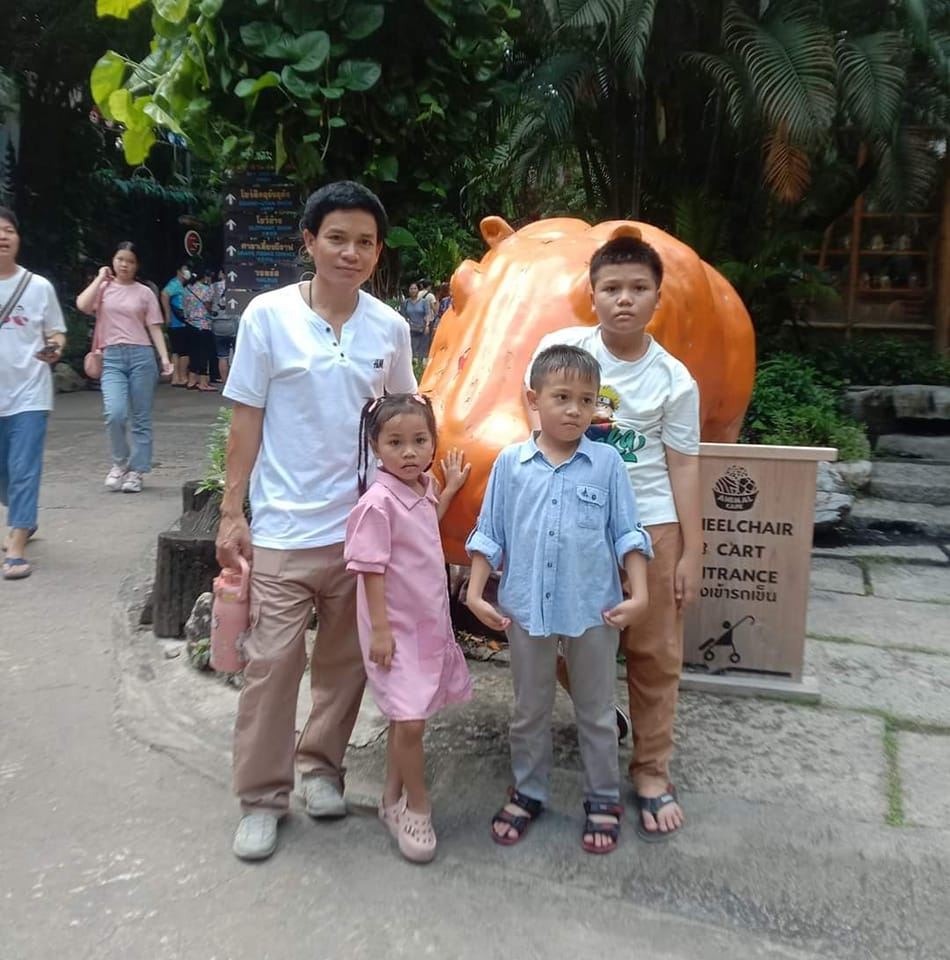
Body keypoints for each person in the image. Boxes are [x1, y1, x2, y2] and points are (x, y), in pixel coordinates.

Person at [216, 180, 417, 862]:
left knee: (344, 664)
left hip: (361, 531)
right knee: (272, 665)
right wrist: (232, 511)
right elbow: (246, 420)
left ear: (377, 252)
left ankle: (321, 769)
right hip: (283, 528)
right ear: (309, 242)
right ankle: (261, 798)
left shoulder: (389, 329)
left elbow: (402, 423)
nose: (350, 252)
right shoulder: (267, 317)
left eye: (364, 242)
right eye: (337, 238)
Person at [529, 235, 701, 841]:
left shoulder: (673, 379)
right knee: (557, 636)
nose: (624, 299)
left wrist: (692, 551)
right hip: (573, 522)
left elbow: (684, 465)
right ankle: (601, 715)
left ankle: (652, 771)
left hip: (650, 527)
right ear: (592, 294)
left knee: (655, 653)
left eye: (638, 288)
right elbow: (534, 427)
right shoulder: (562, 352)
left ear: (657, 296)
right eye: (612, 288)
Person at [465, 344, 652, 855]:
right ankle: (528, 790)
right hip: (525, 608)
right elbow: (490, 532)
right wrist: (476, 591)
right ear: (534, 399)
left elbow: (628, 533)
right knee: (529, 708)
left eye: (586, 400)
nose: (574, 410)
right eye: (562, 397)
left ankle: (603, 797)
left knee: (595, 711)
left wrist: (640, 592)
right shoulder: (511, 464)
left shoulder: (607, 464)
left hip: (594, 609)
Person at [344, 393, 472, 863]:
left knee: (408, 717)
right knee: (411, 719)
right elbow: (369, 570)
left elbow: (424, 527)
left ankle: (389, 799)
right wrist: (380, 630)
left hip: (426, 622)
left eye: (419, 440)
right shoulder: (376, 504)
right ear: (375, 446)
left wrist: (450, 490)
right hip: (394, 629)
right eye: (395, 442)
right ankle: (418, 807)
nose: (409, 452)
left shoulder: (422, 489)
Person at [0, 207, 67, 580]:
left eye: (8, 230)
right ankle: (24, 515)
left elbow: (56, 332)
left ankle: (17, 544)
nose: (2, 236)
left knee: (23, 468)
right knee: (5, 474)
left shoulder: (38, 287)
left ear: (18, 238)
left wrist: (54, 348)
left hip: (30, 393)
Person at [75, 242, 173, 494]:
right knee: (114, 413)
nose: (124, 265)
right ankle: (120, 463)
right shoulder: (104, 289)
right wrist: (100, 278)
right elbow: (83, 305)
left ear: (137, 265)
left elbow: (154, 327)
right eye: (120, 259)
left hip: (142, 356)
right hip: (111, 358)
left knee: (141, 418)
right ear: (113, 260)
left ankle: (137, 471)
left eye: (130, 261)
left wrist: (164, 358)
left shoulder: (144, 293)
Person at [182, 264, 218, 392]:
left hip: (190, 324)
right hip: (204, 325)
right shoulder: (208, 289)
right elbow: (209, 306)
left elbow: (184, 306)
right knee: (204, 354)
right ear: (205, 276)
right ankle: (203, 382)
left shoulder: (187, 288)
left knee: (193, 353)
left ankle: (192, 380)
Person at [160, 263, 192, 387]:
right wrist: (167, 314)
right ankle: (182, 377)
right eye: (185, 269)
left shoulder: (180, 284)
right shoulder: (175, 284)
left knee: (176, 351)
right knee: (183, 352)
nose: (187, 272)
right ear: (179, 271)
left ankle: (175, 377)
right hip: (178, 323)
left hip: (177, 323)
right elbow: (164, 294)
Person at [401, 281, 431, 360]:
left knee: (422, 352)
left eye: (415, 288)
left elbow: (428, 314)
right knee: (412, 351)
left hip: (422, 329)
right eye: (411, 288)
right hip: (411, 330)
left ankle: (421, 364)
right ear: (408, 290)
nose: (413, 290)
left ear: (418, 290)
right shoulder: (406, 303)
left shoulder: (424, 302)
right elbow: (403, 316)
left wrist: (427, 325)